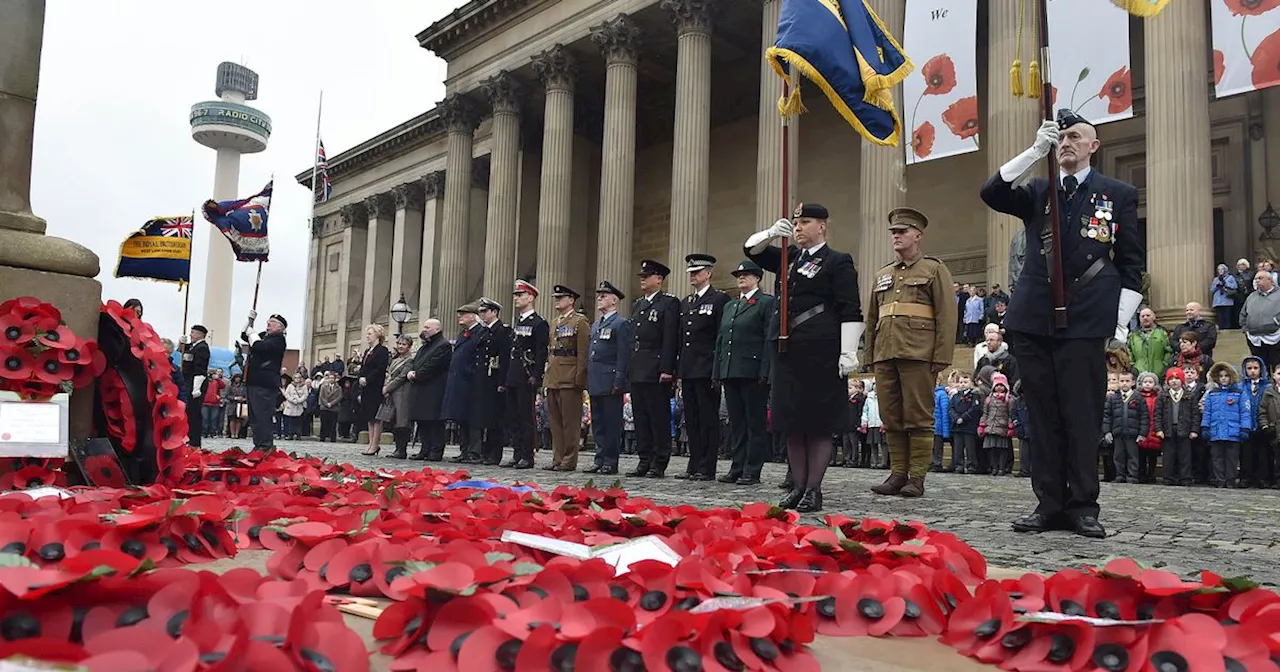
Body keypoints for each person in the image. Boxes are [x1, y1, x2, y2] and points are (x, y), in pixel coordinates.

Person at [981, 109, 1144, 539]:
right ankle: (1048, 504)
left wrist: (1120, 323)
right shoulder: (1039, 191)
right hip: (1034, 317)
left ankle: (1083, 506)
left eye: (1075, 136)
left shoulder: (1118, 193)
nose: (1066, 143)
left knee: (1082, 415)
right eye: (1061, 137)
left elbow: (1131, 264)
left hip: (1088, 316)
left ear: (1094, 146)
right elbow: (992, 191)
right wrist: (1035, 150)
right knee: (1043, 416)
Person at [745, 202, 863, 512]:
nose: (798, 228)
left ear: (822, 226)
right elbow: (751, 250)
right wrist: (771, 233)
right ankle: (798, 487)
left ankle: (814, 489)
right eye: (796, 223)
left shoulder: (837, 261)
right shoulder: (789, 258)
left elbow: (850, 308)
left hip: (820, 350)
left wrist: (848, 351)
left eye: (805, 222)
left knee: (818, 423)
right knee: (792, 422)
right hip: (787, 350)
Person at [862, 207, 957, 496]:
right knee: (891, 416)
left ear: (917, 235)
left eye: (901, 232)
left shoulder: (933, 269)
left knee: (917, 416)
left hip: (918, 352)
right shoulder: (883, 274)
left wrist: (941, 355)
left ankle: (916, 477)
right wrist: (869, 354)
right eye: (893, 232)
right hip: (886, 352)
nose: (896, 237)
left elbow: (946, 314)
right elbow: (872, 317)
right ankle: (897, 474)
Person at [713, 259, 776, 485]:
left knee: (754, 423)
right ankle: (737, 466)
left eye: (746, 275)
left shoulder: (765, 303)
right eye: (739, 275)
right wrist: (717, 370)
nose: (741, 278)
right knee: (736, 423)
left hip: (753, 371)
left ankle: (752, 469)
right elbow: (722, 340)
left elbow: (769, 338)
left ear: (757, 278)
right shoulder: (731, 306)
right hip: (731, 371)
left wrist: (766, 371)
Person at [673, 253, 731, 481]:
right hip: (688, 369)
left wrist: (717, 370)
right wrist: (679, 370)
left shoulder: (719, 299)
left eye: (697, 272)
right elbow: (682, 339)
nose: (693, 276)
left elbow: (720, 336)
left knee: (708, 419)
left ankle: (707, 467)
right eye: (691, 273)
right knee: (692, 419)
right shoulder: (687, 302)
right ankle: (694, 463)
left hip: (707, 369)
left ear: (708, 273)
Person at [627, 260, 681, 478]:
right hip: (638, 367)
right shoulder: (638, 305)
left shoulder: (668, 303)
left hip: (656, 368)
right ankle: (644, 458)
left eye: (647, 275)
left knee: (658, 417)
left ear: (659, 279)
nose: (642, 278)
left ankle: (659, 461)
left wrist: (667, 368)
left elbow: (670, 338)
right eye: (642, 275)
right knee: (641, 417)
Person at [543, 286, 591, 472]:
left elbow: (583, 353)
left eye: (561, 297)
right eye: (556, 297)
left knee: (570, 423)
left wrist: (580, 380)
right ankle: (558, 457)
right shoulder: (555, 322)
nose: (557, 300)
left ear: (571, 300)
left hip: (570, 378)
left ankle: (569, 459)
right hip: (554, 377)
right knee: (555, 422)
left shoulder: (580, 322)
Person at [586, 281, 631, 475]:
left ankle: (610, 461)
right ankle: (600, 457)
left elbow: (623, 355)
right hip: (596, 379)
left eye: (603, 296)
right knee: (598, 422)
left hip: (610, 380)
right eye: (599, 295)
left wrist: (620, 380)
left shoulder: (620, 324)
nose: (599, 298)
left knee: (611, 423)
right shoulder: (597, 324)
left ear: (614, 300)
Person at [505, 280, 549, 469]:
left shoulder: (538, 323)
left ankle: (527, 455)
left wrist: (537, 375)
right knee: (513, 416)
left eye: (520, 295)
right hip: (514, 374)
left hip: (527, 375)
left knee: (526, 417)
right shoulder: (518, 323)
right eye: (515, 295)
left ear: (530, 297)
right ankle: (516, 453)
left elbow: (541, 352)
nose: (516, 298)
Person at [444, 304, 486, 463]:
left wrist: (471, 372)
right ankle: (464, 449)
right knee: (461, 417)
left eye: (463, 314)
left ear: (473, 316)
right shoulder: (464, 334)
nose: (459, 317)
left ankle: (474, 451)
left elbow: (478, 357)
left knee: (473, 419)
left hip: (472, 382)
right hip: (460, 382)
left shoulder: (479, 333)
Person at [239, 311, 287, 449]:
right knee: (254, 417)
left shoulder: (278, 340)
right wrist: (250, 322)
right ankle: (258, 444)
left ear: (280, 327)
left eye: (272, 322)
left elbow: (259, 346)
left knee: (262, 416)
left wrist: (252, 333)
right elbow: (245, 335)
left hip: (265, 384)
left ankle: (265, 446)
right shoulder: (264, 336)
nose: (268, 324)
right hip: (254, 382)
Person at [408, 318, 452, 461]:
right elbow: (416, 363)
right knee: (422, 421)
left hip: (434, 388)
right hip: (421, 387)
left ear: (437, 329)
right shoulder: (424, 347)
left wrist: (417, 374)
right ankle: (424, 449)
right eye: (424, 327)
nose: (424, 329)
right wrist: (412, 372)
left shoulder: (443, 345)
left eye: (428, 327)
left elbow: (434, 365)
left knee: (434, 421)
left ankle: (436, 450)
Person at [474, 298, 511, 466]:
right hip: (484, 378)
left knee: (495, 419)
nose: (482, 314)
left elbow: (504, 358)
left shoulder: (502, 331)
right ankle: (485, 451)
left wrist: (502, 381)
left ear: (494, 312)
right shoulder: (484, 332)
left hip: (495, 378)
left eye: (485, 311)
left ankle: (494, 454)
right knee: (484, 418)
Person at [1202, 362, 1251, 488]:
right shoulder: (1212, 394)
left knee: (1232, 459)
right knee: (1217, 457)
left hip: (1233, 432)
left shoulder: (1239, 393)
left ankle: (1230, 480)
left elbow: (1245, 412)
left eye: (1226, 376)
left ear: (1232, 377)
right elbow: (1207, 412)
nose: (1223, 378)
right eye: (1221, 376)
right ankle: (1220, 480)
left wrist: (1245, 428)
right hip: (1216, 431)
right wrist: (1205, 427)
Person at [1155, 367, 1198, 486]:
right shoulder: (1163, 396)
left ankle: (1185, 478)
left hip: (1184, 429)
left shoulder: (1189, 396)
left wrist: (1194, 429)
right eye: (1171, 379)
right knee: (1169, 456)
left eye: (1177, 378)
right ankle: (1168, 477)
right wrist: (1158, 429)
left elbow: (1195, 414)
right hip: (1168, 429)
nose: (1174, 381)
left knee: (1185, 456)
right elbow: (1158, 413)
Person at [1102, 371, 1145, 484]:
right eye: (1122, 381)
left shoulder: (1138, 398)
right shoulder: (1113, 398)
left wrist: (1142, 433)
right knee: (1118, 456)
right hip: (1118, 432)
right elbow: (1107, 416)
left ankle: (1132, 476)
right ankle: (1120, 475)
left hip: (1132, 433)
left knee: (1133, 456)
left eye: (1127, 381)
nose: (1124, 383)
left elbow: (1144, 416)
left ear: (1133, 383)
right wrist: (1107, 432)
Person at [378, 334, 416, 458]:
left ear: (409, 346)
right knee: (394, 421)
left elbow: (402, 377)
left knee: (402, 422)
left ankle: (402, 450)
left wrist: (387, 388)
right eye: (399, 343)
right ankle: (397, 448)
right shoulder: (396, 359)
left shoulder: (410, 360)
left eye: (404, 344)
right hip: (393, 393)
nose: (400, 346)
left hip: (403, 393)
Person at [356, 325, 391, 456]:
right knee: (369, 417)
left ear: (378, 335)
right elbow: (363, 368)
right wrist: (360, 378)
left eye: (370, 334)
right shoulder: (367, 351)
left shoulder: (382, 350)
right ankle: (371, 443)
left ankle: (375, 444)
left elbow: (380, 368)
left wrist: (368, 379)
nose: (367, 336)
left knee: (376, 417)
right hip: (366, 388)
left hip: (375, 386)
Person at [1240, 269, 1280, 374]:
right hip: (1254, 339)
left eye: (1260, 278)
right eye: (1256, 278)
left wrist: (1276, 322)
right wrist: (1245, 329)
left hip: (1276, 337)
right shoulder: (1251, 296)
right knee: (1260, 367)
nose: (1257, 281)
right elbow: (1243, 314)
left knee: (1277, 365)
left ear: (1270, 281)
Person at [180, 325, 211, 448]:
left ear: (199, 334)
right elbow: (186, 355)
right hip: (189, 380)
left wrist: (196, 387)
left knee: (194, 413)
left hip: (196, 382)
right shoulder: (194, 347)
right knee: (189, 412)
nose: (191, 335)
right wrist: (182, 344)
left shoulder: (202, 348)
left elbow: (200, 367)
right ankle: (189, 438)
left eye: (193, 333)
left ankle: (194, 441)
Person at [979, 373, 1014, 476]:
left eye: (1001, 385)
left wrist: (1010, 426)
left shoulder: (1009, 400)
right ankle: (994, 467)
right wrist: (982, 425)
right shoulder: (989, 399)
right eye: (997, 385)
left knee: (1002, 449)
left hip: (1002, 428)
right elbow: (985, 413)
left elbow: (1010, 414)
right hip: (991, 426)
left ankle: (1001, 468)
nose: (999, 387)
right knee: (991, 449)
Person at [1128, 308, 1171, 378]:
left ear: (1154, 317)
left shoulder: (1163, 333)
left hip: (1159, 371)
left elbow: (1168, 350)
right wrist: (1133, 366)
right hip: (1139, 372)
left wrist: (1164, 365)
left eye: (1148, 315)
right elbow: (1129, 351)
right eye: (1143, 316)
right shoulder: (1133, 335)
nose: (1145, 318)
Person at [1210, 264, 1239, 330]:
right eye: (1219, 269)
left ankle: (1227, 329)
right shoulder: (1216, 279)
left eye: (1222, 269)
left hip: (1227, 300)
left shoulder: (1230, 277)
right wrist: (1217, 285)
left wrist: (1225, 283)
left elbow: (1234, 286)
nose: (1220, 271)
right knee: (1220, 316)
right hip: (1218, 301)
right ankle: (1221, 328)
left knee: (1226, 316)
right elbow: (1212, 289)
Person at [317, 372, 342, 441]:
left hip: (334, 408)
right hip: (324, 407)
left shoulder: (338, 388)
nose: (331, 379)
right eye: (330, 378)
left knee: (333, 424)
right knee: (323, 424)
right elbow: (321, 396)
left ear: (335, 379)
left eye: (332, 378)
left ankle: (333, 438)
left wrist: (331, 403)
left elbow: (339, 397)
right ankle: (322, 438)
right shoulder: (323, 386)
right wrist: (326, 403)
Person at [225, 373, 247, 440]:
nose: (238, 379)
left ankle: (237, 434)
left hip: (240, 405)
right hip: (232, 404)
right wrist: (235, 398)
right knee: (232, 419)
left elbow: (246, 394)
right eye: (236, 377)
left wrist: (244, 398)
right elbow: (227, 395)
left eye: (239, 378)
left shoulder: (243, 386)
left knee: (239, 420)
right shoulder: (230, 386)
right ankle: (232, 434)